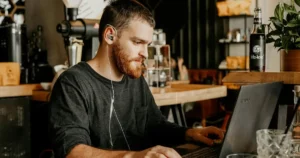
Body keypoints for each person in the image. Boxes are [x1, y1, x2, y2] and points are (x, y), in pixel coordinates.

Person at [48, 0, 225, 158]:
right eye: (137, 42)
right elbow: (73, 152)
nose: (144, 53)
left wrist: (191, 133)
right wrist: (134, 156)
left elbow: (155, 126)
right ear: (110, 35)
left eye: (147, 44)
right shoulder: (73, 83)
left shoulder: (134, 79)